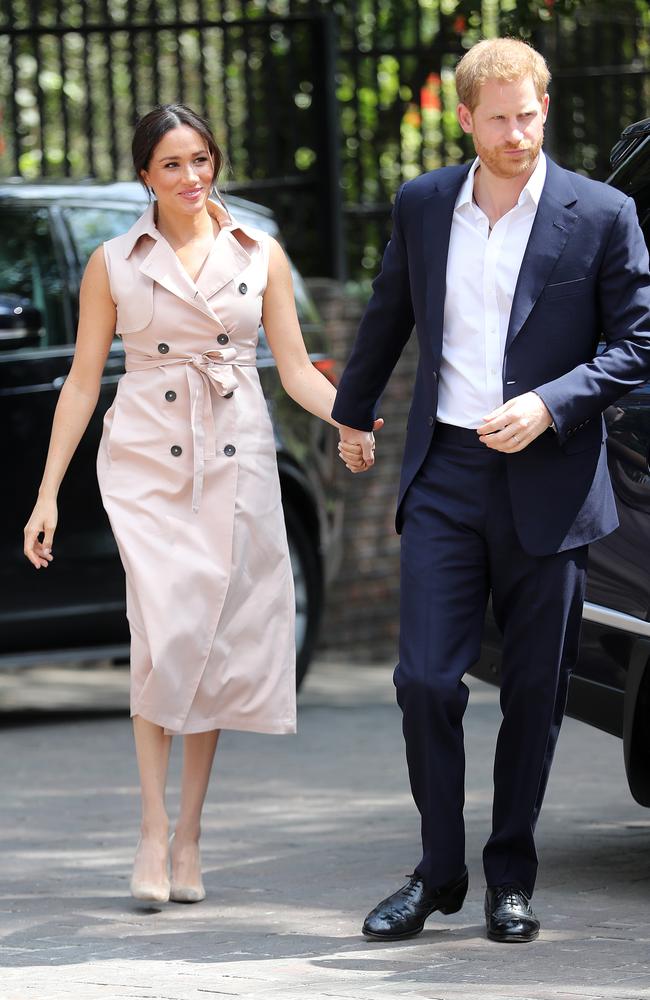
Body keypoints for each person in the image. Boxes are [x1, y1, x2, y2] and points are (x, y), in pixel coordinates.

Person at [333, 38, 650, 943]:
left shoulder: (604, 212)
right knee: (426, 680)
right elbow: (390, 311)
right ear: (465, 118)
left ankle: (511, 875)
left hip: (549, 480)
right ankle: (437, 874)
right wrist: (353, 416)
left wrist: (551, 406)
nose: (519, 133)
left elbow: (636, 345)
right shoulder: (427, 204)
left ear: (545, 107)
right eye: (500, 117)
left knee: (534, 693)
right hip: (447, 473)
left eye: (531, 114)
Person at [23, 103, 351, 905]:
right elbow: (81, 380)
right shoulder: (113, 260)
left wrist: (348, 413)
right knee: (161, 633)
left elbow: (297, 369)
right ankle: (148, 826)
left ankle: (191, 833)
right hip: (144, 462)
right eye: (172, 164)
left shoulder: (258, 253)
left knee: (207, 640)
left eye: (201, 159)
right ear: (146, 175)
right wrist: (48, 495)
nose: (191, 176)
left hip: (234, 453)